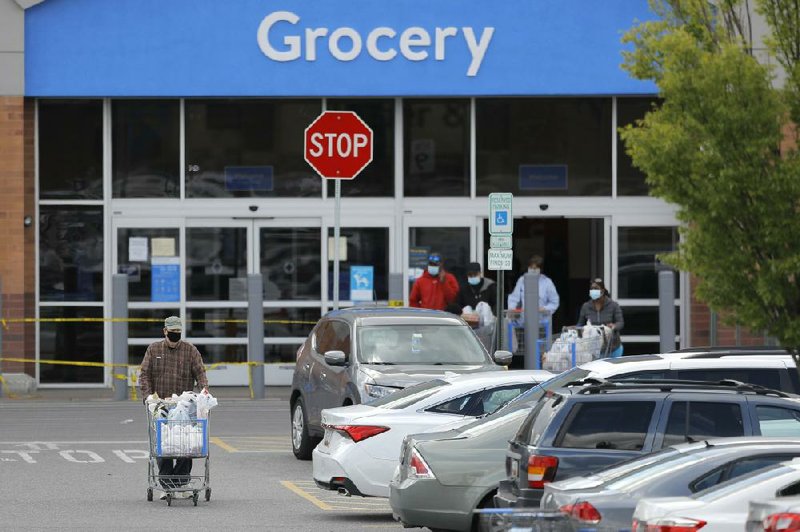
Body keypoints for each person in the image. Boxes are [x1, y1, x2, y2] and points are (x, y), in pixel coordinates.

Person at [139, 316, 209, 497]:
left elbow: (200, 373)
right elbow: (145, 374)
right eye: (172, 333)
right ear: (164, 331)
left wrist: (204, 392)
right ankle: (166, 483)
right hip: (160, 405)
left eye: (178, 333)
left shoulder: (190, 350)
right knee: (163, 446)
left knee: (186, 446)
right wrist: (147, 397)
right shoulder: (154, 350)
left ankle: (182, 481)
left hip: (183, 407)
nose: (175, 336)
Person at [577, 278, 625, 358]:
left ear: (602, 291)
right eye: (591, 289)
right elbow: (580, 323)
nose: (593, 291)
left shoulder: (613, 305)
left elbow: (620, 322)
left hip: (613, 348)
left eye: (596, 289)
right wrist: (577, 329)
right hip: (594, 349)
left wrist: (613, 326)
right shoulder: (586, 306)